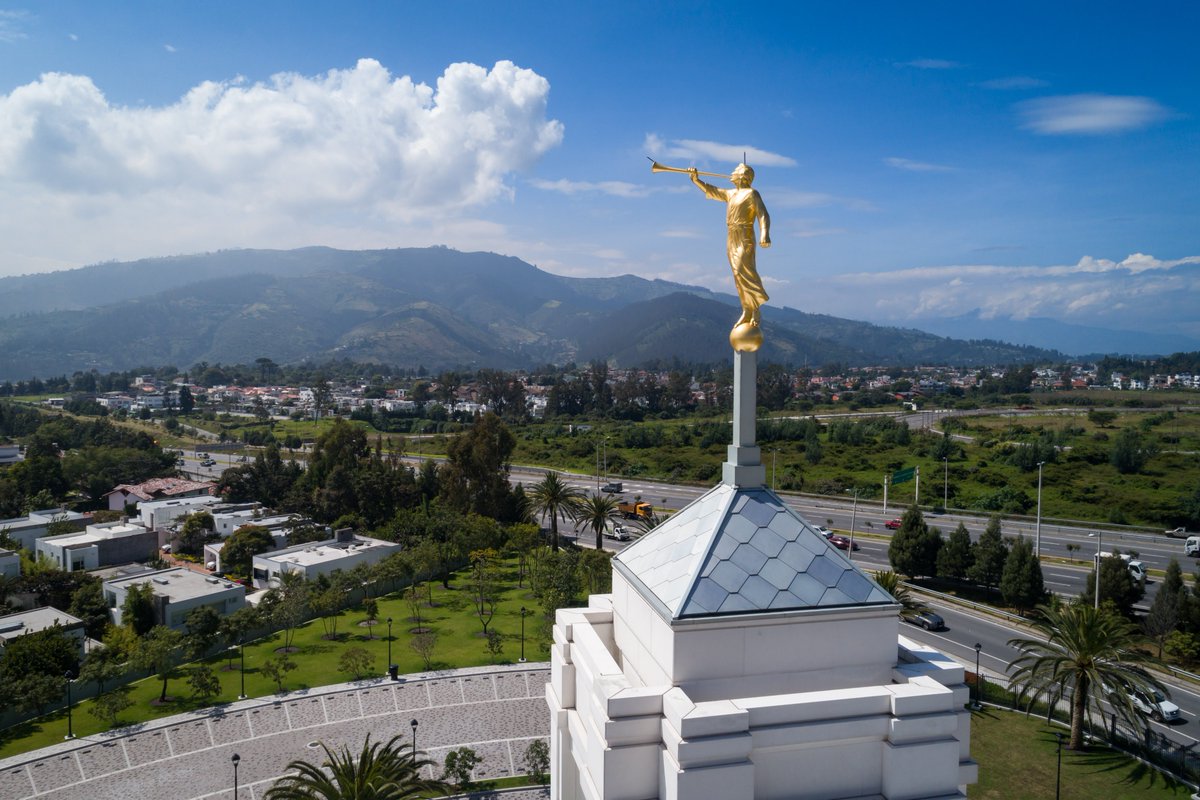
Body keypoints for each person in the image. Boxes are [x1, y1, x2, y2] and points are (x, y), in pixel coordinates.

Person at [689, 163, 771, 326]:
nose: (731, 174)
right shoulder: (730, 194)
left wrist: (764, 234)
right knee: (737, 274)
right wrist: (695, 180)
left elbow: (763, 215)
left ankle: (755, 308)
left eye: (735, 172)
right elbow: (712, 191)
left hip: (745, 234)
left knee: (744, 269)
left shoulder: (752, 194)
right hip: (731, 236)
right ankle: (746, 310)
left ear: (743, 176)